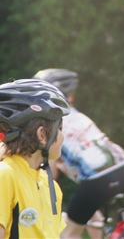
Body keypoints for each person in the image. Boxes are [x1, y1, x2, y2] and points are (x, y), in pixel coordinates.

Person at [33, 69, 124, 238]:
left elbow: (52, 173)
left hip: (97, 179)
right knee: (89, 213)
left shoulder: (52, 122)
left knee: (69, 233)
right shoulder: (76, 115)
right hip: (122, 169)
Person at [0, 79, 70, 238]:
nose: (62, 136)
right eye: (59, 129)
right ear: (42, 135)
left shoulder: (50, 186)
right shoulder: (5, 175)